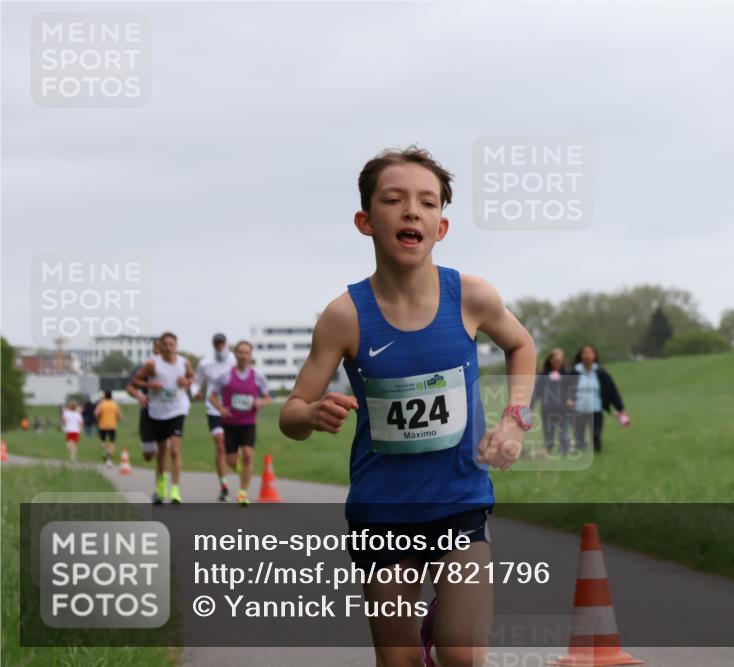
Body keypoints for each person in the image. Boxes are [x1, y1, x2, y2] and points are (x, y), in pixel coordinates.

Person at [279, 146, 536, 667]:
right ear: (366, 221)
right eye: (393, 200)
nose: (411, 211)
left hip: (460, 501)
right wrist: (309, 415)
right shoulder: (344, 316)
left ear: (441, 226)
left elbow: (522, 346)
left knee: (462, 655)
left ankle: (440, 629)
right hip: (383, 511)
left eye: (427, 202)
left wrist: (514, 422)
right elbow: (291, 412)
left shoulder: (470, 296)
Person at [131, 332, 194, 504]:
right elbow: (135, 381)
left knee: (174, 449)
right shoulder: (152, 364)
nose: (168, 347)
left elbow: (191, 376)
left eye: (171, 344)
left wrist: (186, 382)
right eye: (165, 344)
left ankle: (175, 490)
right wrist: (150, 385)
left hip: (178, 409)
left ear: (176, 345)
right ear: (160, 346)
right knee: (161, 453)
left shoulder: (184, 362)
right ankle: (161, 486)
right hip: (158, 411)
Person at [209, 341, 272, 507]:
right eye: (241, 352)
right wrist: (221, 409)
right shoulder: (225, 375)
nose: (244, 355)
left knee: (248, 454)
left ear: (250, 355)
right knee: (230, 461)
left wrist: (260, 403)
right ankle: (239, 469)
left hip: (248, 423)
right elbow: (212, 396)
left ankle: (242, 493)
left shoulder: (258, 376)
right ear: (235, 354)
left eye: (247, 352)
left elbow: (268, 397)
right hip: (230, 423)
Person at [192, 333, 237, 501]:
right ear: (213, 344)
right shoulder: (205, 363)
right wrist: (195, 392)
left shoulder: (234, 359)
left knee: (232, 450)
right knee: (219, 443)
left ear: (226, 343)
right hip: (214, 407)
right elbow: (196, 382)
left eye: (222, 343)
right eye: (216, 343)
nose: (220, 346)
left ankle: (233, 463)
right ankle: (223, 484)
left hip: (233, 408)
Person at [566, 345, 629, 455]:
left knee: (596, 434)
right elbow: (565, 388)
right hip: (579, 409)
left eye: (590, 353)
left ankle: (597, 454)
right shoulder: (574, 372)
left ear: (594, 356)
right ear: (581, 356)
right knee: (579, 435)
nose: (587, 355)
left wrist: (620, 409)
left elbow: (612, 391)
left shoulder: (601, 373)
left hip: (596, 409)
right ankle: (580, 456)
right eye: (585, 353)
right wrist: (569, 399)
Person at [127, 338, 161, 466]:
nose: (161, 350)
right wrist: (139, 396)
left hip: (168, 413)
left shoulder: (176, 366)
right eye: (157, 347)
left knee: (164, 450)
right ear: (153, 349)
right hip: (148, 412)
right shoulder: (144, 366)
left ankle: (162, 483)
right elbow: (130, 387)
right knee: (148, 455)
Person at [532, 348, 571, 456]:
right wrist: (529, 409)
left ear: (563, 361)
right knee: (549, 438)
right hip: (548, 411)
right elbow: (536, 393)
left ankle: (565, 456)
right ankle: (547, 454)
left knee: (564, 435)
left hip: (564, 411)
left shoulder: (567, 376)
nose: (557, 362)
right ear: (550, 360)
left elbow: (572, 391)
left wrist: (571, 399)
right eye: (555, 360)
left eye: (559, 360)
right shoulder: (543, 376)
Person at [94, 390, 123, 467]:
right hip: (112, 425)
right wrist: (118, 419)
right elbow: (119, 415)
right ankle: (109, 454)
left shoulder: (101, 404)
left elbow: (96, 413)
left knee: (102, 440)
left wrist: (98, 418)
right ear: (111, 396)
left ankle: (105, 451)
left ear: (104, 396)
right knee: (112, 442)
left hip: (102, 425)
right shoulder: (114, 404)